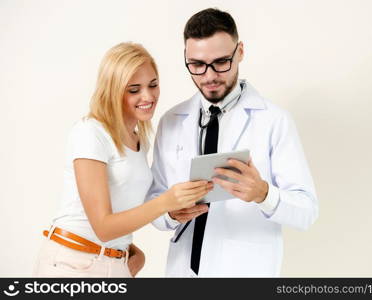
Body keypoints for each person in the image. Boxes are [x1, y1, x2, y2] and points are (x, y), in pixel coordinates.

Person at [146, 8, 318, 277]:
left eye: (221, 61)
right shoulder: (171, 121)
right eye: (197, 64)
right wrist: (170, 212)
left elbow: (307, 212)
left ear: (240, 52)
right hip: (182, 271)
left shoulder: (274, 121)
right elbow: (154, 203)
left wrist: (263, 193)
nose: (209, 76)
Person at [33, 42, 212, 277]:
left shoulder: (139, 139)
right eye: (134, 89)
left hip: (110, 264)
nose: (147, 96)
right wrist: (166, 202)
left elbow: (121, 210)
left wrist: (130, 252)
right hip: (71, 265)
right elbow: (103, 227)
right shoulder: (91, 133)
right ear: (113, 90)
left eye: (153, 85)